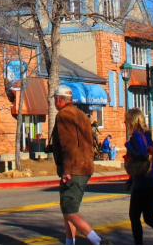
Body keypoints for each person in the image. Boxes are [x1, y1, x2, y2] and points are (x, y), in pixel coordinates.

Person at [50, 85, 109, 246]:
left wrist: (67, 170)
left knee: (69, 209)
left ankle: (97, 241)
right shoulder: (82, 114)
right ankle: (70, 242)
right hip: (85, 166)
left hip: (73, 169)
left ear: (58, 99)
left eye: (55, 100)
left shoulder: (63, 115)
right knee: (68, 208)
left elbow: (68, 144)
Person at [124, 108, 153, 246]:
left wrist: (129, 146)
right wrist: (131, 178)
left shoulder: (136, 136)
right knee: (148, 217)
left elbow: (142, 155)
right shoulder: (146, 135)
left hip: (144, 183)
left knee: (134, 216)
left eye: (127, 119)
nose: (124, 122)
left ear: (132, 120)